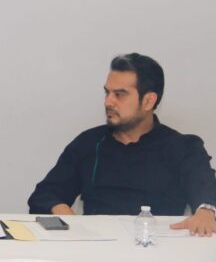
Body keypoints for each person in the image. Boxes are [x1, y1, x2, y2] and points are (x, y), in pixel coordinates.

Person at [28, 53, 216, 236]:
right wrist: (66, 215)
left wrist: (206, 212)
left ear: (148, 101)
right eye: (107, 92)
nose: (108, 102)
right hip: (96, 246)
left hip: (158, 245)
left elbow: (205, 187)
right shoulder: (89, 143)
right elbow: (45, 194)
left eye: (119, 94)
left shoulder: (182, 147)